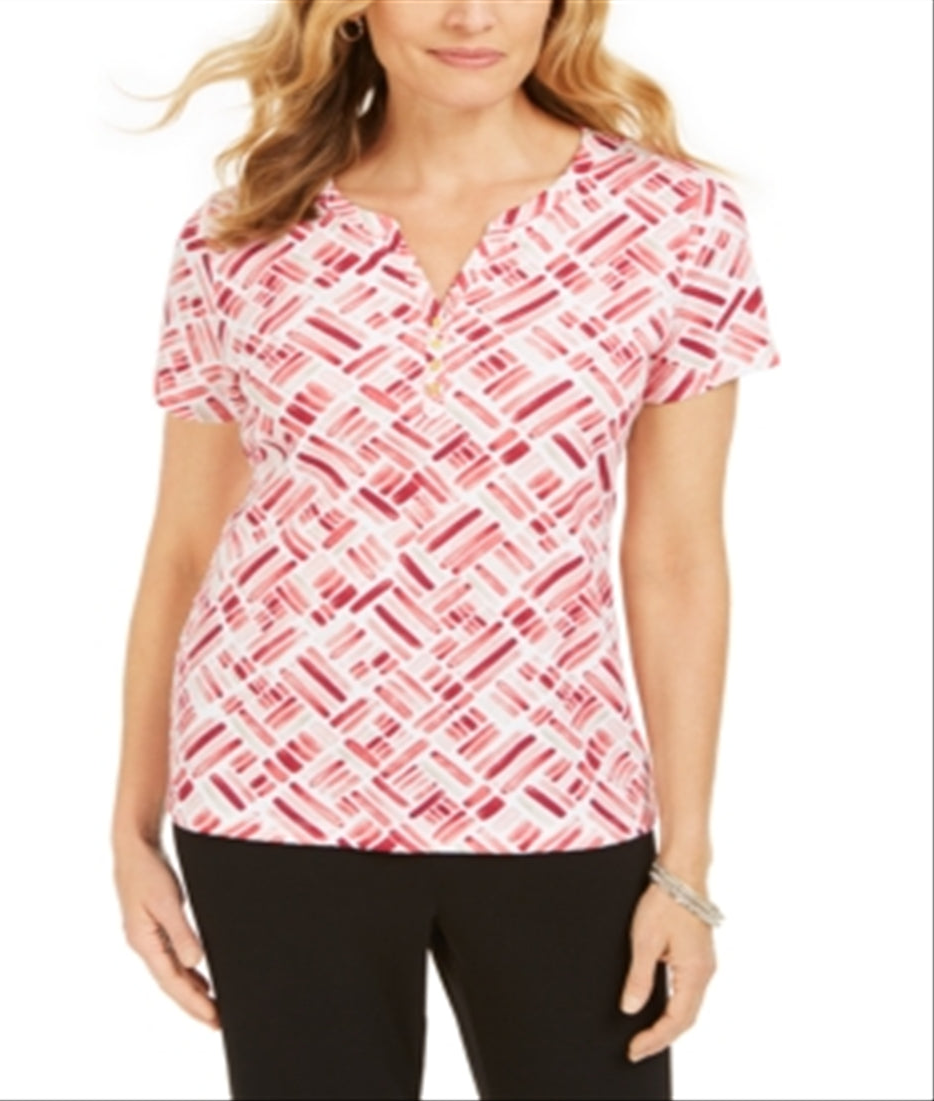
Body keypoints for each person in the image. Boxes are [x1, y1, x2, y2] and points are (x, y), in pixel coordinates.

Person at [111, 2, 781, 1098]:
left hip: (558, 797)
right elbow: (185, 546)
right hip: (274, 795)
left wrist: (686, 862)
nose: (472, 15)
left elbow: (674, 557)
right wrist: (132, 827)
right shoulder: (243, 231)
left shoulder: (672, 223)